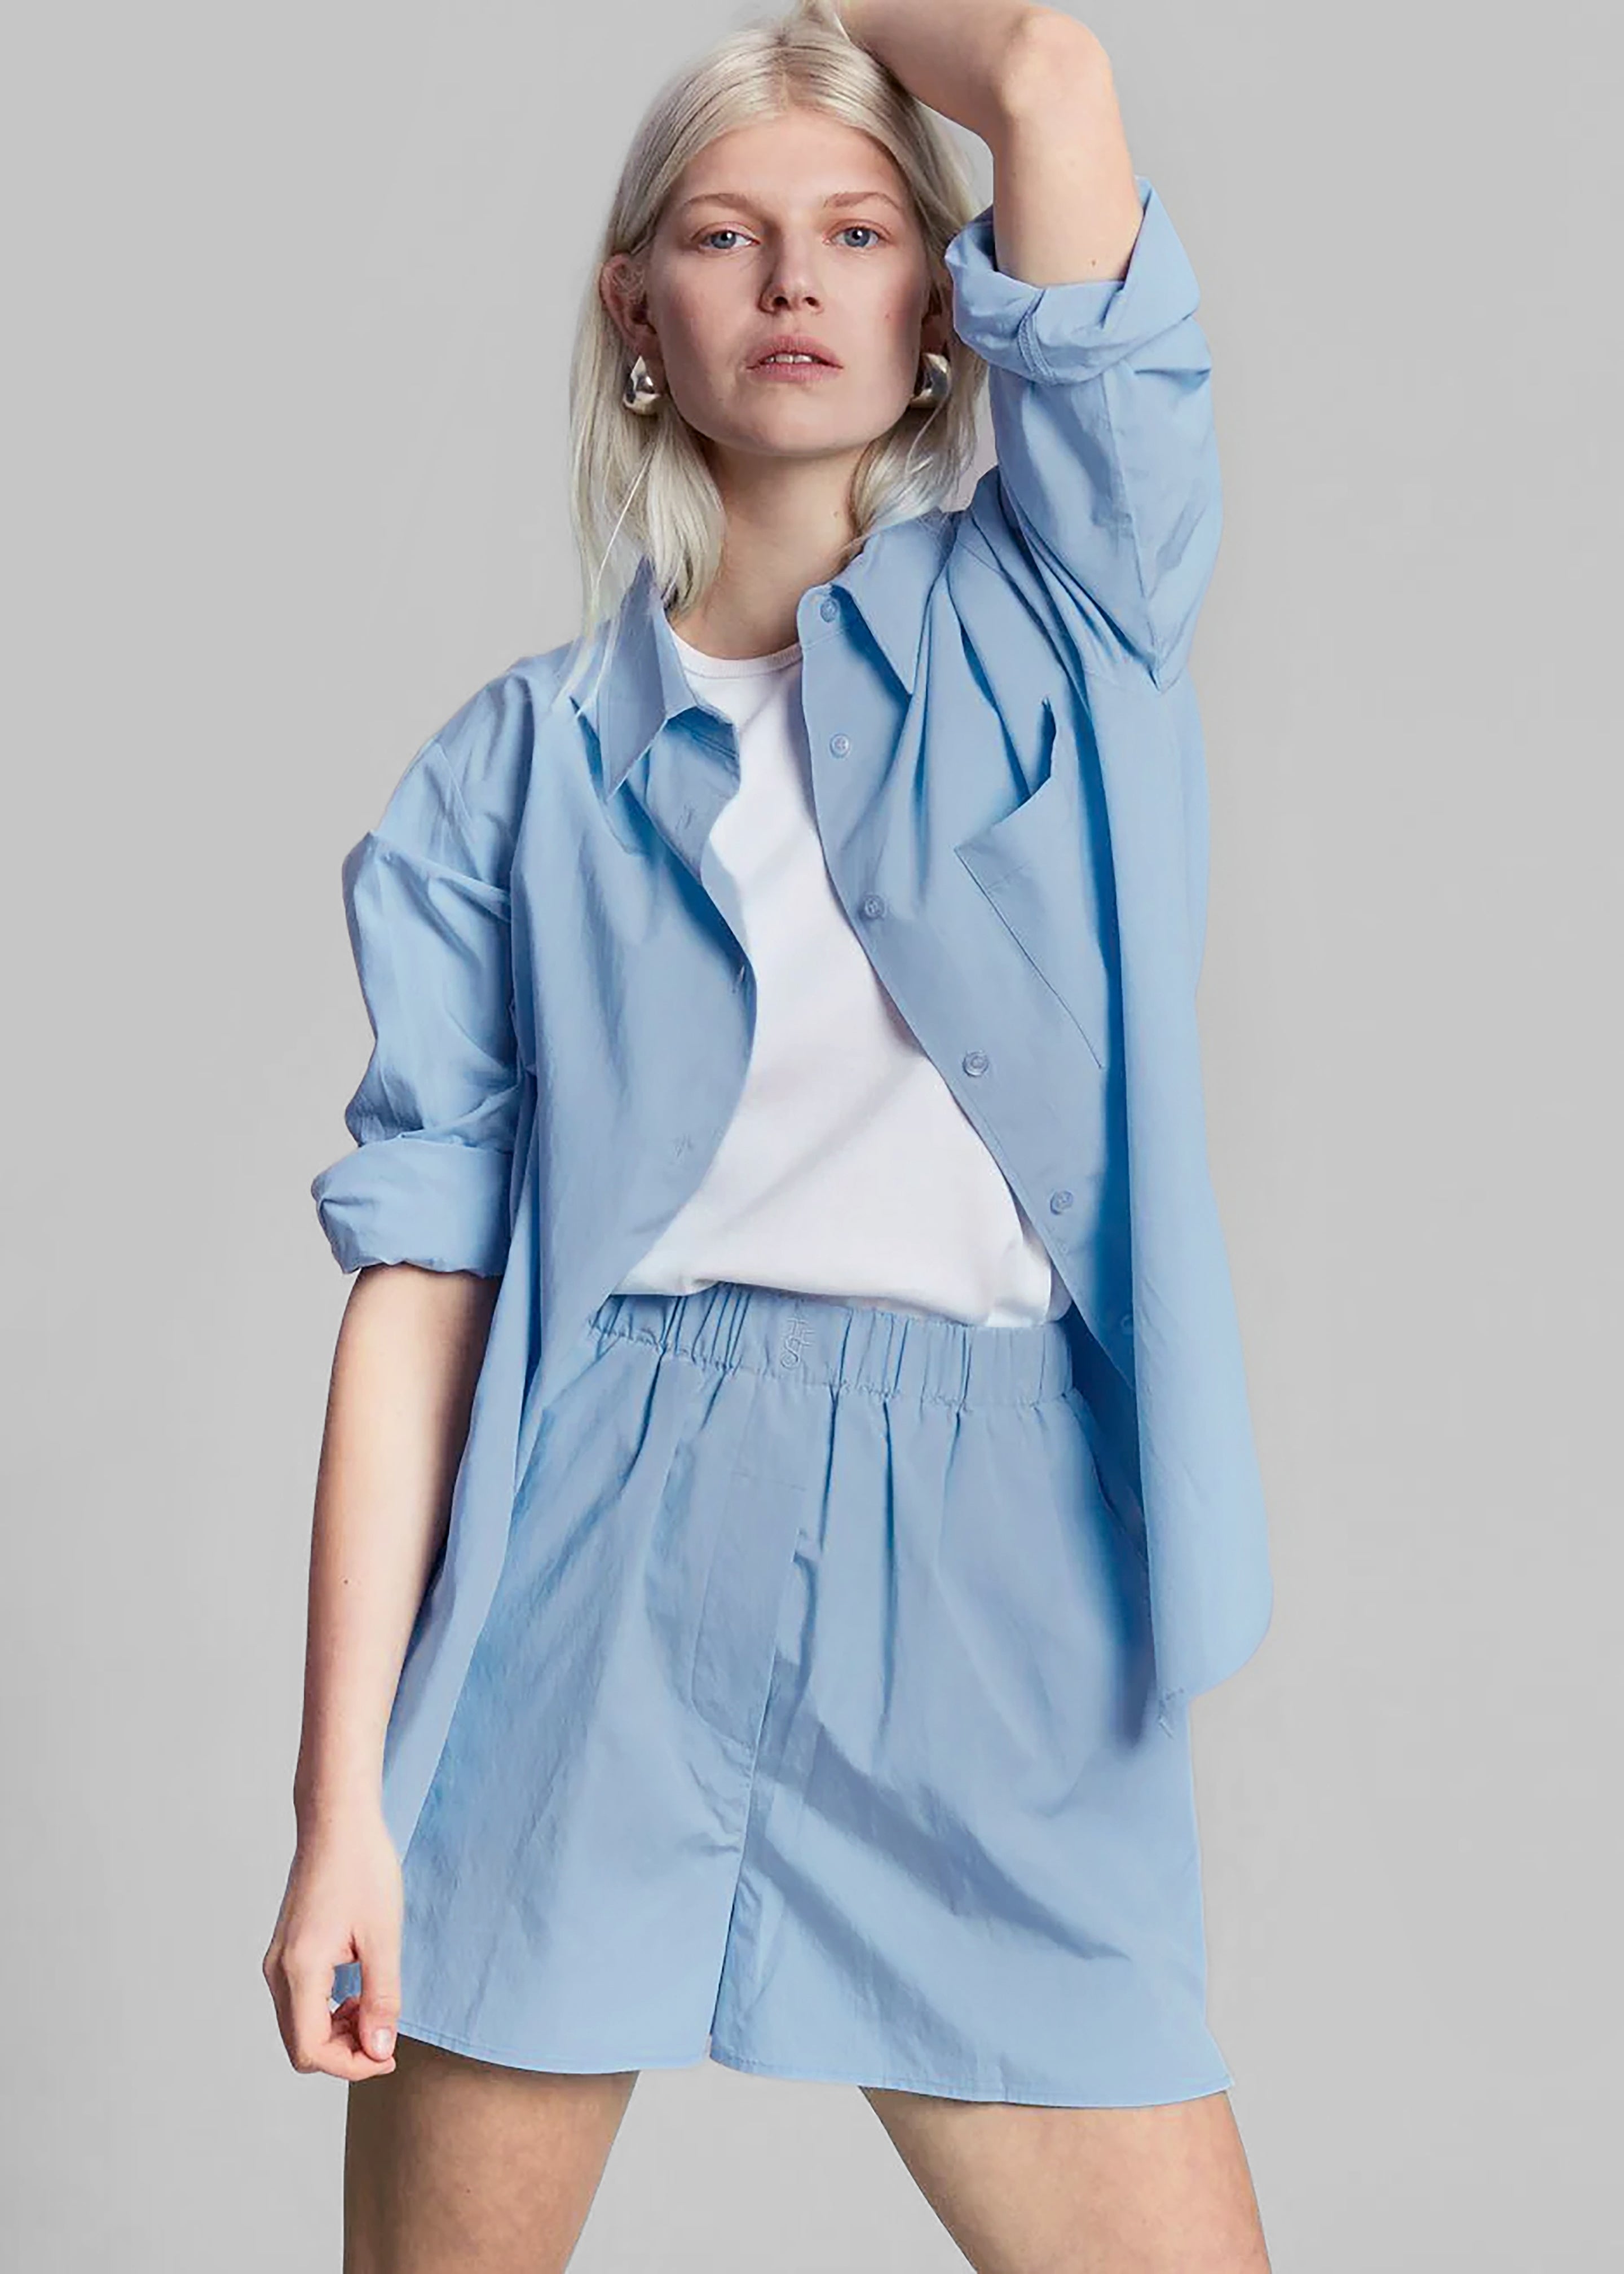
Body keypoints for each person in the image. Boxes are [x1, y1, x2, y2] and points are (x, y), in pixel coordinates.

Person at [262, 2, 1276, 2266]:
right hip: (594, 1537)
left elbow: (1047, 70)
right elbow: (419, 1294)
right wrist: (343, 1808)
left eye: (859, 229)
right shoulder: (511, 778)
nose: (796, 277)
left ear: (948, 306)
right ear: (637, 313)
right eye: (726, 236)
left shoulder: (1076, 625)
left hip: (999, 1552)